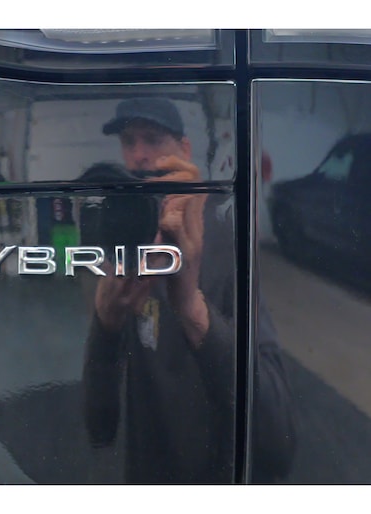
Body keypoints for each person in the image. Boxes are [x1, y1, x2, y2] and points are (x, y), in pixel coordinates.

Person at [82, 97, 296, 483]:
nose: (139, 155)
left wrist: (192, 307)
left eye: (153, 139)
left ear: (184, 151)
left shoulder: (225, 237)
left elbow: (276, 442)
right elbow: (99, 427)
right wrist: (106, 324)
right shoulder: (127, 238)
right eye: (128, 141)